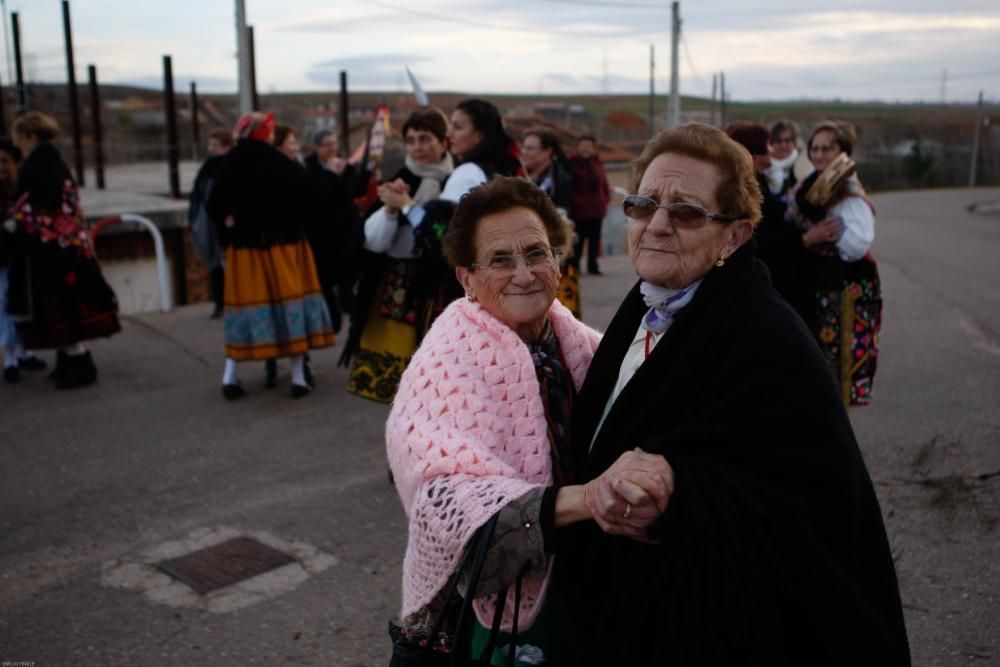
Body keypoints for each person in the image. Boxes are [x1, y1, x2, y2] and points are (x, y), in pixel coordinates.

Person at [559, 123, 909, 664]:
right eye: (643, 203)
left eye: (687, 212)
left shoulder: (768, 341)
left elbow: (809, 507)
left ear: (735, 237)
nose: (656, 225)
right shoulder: (650, 297)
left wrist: (680, 484)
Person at [386, 176, 671, 666]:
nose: (524, 273)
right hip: (478, 622)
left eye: (537, 253)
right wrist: (586, 499)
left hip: (576, 592)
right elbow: (444, 505)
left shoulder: (573, 338)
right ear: (466, 278)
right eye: (500, 260)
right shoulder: (444, 364)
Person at [206, 112, 335, 400]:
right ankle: (299, 377)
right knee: (292, 306)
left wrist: (229, 235)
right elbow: (312, 194)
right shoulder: (280, 163)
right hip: (285, 246)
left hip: (245, 251)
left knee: (243, 308)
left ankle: (230, 376)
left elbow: (214, 205)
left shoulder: (230, 163)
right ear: (266, 133)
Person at [373, 98, 523, 342]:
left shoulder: (467, 173)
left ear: (479, 135)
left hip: (465, 287)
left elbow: (443, 233)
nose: (450, 133)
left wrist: (406, 205)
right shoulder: (500, 168)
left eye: (458, 127)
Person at [340, 108, 454, 403]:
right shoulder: (399, 179)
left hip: (443, 287)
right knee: (402, 388)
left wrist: (408, 206)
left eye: (425, 139)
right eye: (412, 139)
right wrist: (390, 211)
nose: (417, 147)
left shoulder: (455, 182)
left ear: (444, 142)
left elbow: (447, 237)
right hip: (398, 287)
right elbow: (373, 243)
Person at [2, 112, 120, 389]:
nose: (17, 144)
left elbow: (38, 207)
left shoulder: (38, 165)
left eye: (19, 138)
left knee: (60, 308)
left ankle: (78, 363)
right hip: (67, 248)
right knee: (66, 308)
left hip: (52, 252)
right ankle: (70, 362)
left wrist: (15, 223)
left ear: (30, 137)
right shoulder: (53, 161)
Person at [787, 120, 882, 406]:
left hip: (841, 288)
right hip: (812, 284)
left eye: (827, 148)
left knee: (835, 367)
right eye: (815, 148)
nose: (819, 154)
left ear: (843, 151)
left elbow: (856, 245)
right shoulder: (810, 185)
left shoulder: (847, 192)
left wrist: (822, 238)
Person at [726, 121, 810, 322]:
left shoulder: (754, 185)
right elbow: (770, 243)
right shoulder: (750, 195)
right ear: (752, 157)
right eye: (769, 145)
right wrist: (808, 238)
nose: (773, 150)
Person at [521, 127, 582, 318]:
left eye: (531, 148)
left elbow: (566, 227)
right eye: (524, 147)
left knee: (560, 318)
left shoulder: (562, 181)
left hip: (557, 261)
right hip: (526, 260)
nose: (524, 152)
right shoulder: (521, 177)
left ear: (548, 152)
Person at [303, 129, 359, 331]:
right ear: (317, 147)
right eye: (327, 144)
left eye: (334, 144)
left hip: (345, 234)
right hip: (321, 236)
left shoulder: (343, 166)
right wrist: (333, 176)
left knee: (347, 279)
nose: (332, 149)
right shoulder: (309, 169)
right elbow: (320, 197)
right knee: (324, 281)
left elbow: (353, 193)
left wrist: (353, 174)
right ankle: (332, 319)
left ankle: (353, 318)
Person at [0, 138, 46, 382]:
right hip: (4, 256)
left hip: (19, 254)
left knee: (21, 304)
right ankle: (10, 357)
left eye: (5, 161)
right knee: (5, 304)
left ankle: (23, 351)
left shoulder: (23, 189)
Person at [188, 127, 233, 319]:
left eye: (215, 145)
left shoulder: (228, 166)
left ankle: (225, 303)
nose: (211, 149)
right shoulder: (209, 167)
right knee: (216, 266)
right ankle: (220, 302)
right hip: (211, 223)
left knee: (223, 265)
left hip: (221, 223)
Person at [566, 135, 610, 276]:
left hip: (597, 209)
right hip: (579, 210)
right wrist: (576, 201)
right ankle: (574, 266)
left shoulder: (597, 163)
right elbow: (569, 187)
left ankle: (593, 266)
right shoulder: (571, 163)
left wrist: (605, 198)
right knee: (577, 241)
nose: (586, 148)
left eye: (589, 146)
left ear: (593, 148)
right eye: (583, 145)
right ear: (577, 147)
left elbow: (603, 183)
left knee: (594, 241)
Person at [765, 119, 800, 197]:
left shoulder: (801, 168)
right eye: (778, 141)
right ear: (771, 143)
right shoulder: (763, 168)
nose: (783, 145)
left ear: (794, 142)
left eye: (787, 140)